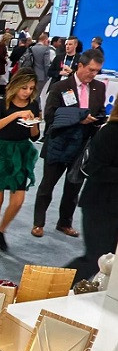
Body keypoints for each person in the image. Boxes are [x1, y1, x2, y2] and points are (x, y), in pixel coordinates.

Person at [32, 49, 106, 238]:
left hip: (82, 145)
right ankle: (38, 223)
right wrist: (78, 118)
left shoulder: (99, 87)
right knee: (47, 186)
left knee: (73, 187)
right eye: (91, 69)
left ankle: (65, 223)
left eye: (97, 71)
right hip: (59, 142)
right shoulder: (60, 86)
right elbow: (50, 115)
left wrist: (98, 119)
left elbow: (100, 111)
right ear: (80, 65)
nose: (93, 74)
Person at [0, 69, 41, 258]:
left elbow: (35, 137)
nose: (27, 92)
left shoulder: (33, 105)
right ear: (16, 85)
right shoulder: (2, 103)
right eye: (24, 87)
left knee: (18, 201)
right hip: (0, 152)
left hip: (21, 153)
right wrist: (16, 115)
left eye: (31, 88)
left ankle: (1, 230)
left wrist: (33, 123)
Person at [67, 104, 118, 282]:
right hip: (100, 205)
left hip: (112, 205)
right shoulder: (110, 132)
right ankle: (51, 287)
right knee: (96, 258)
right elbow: (95, 169)